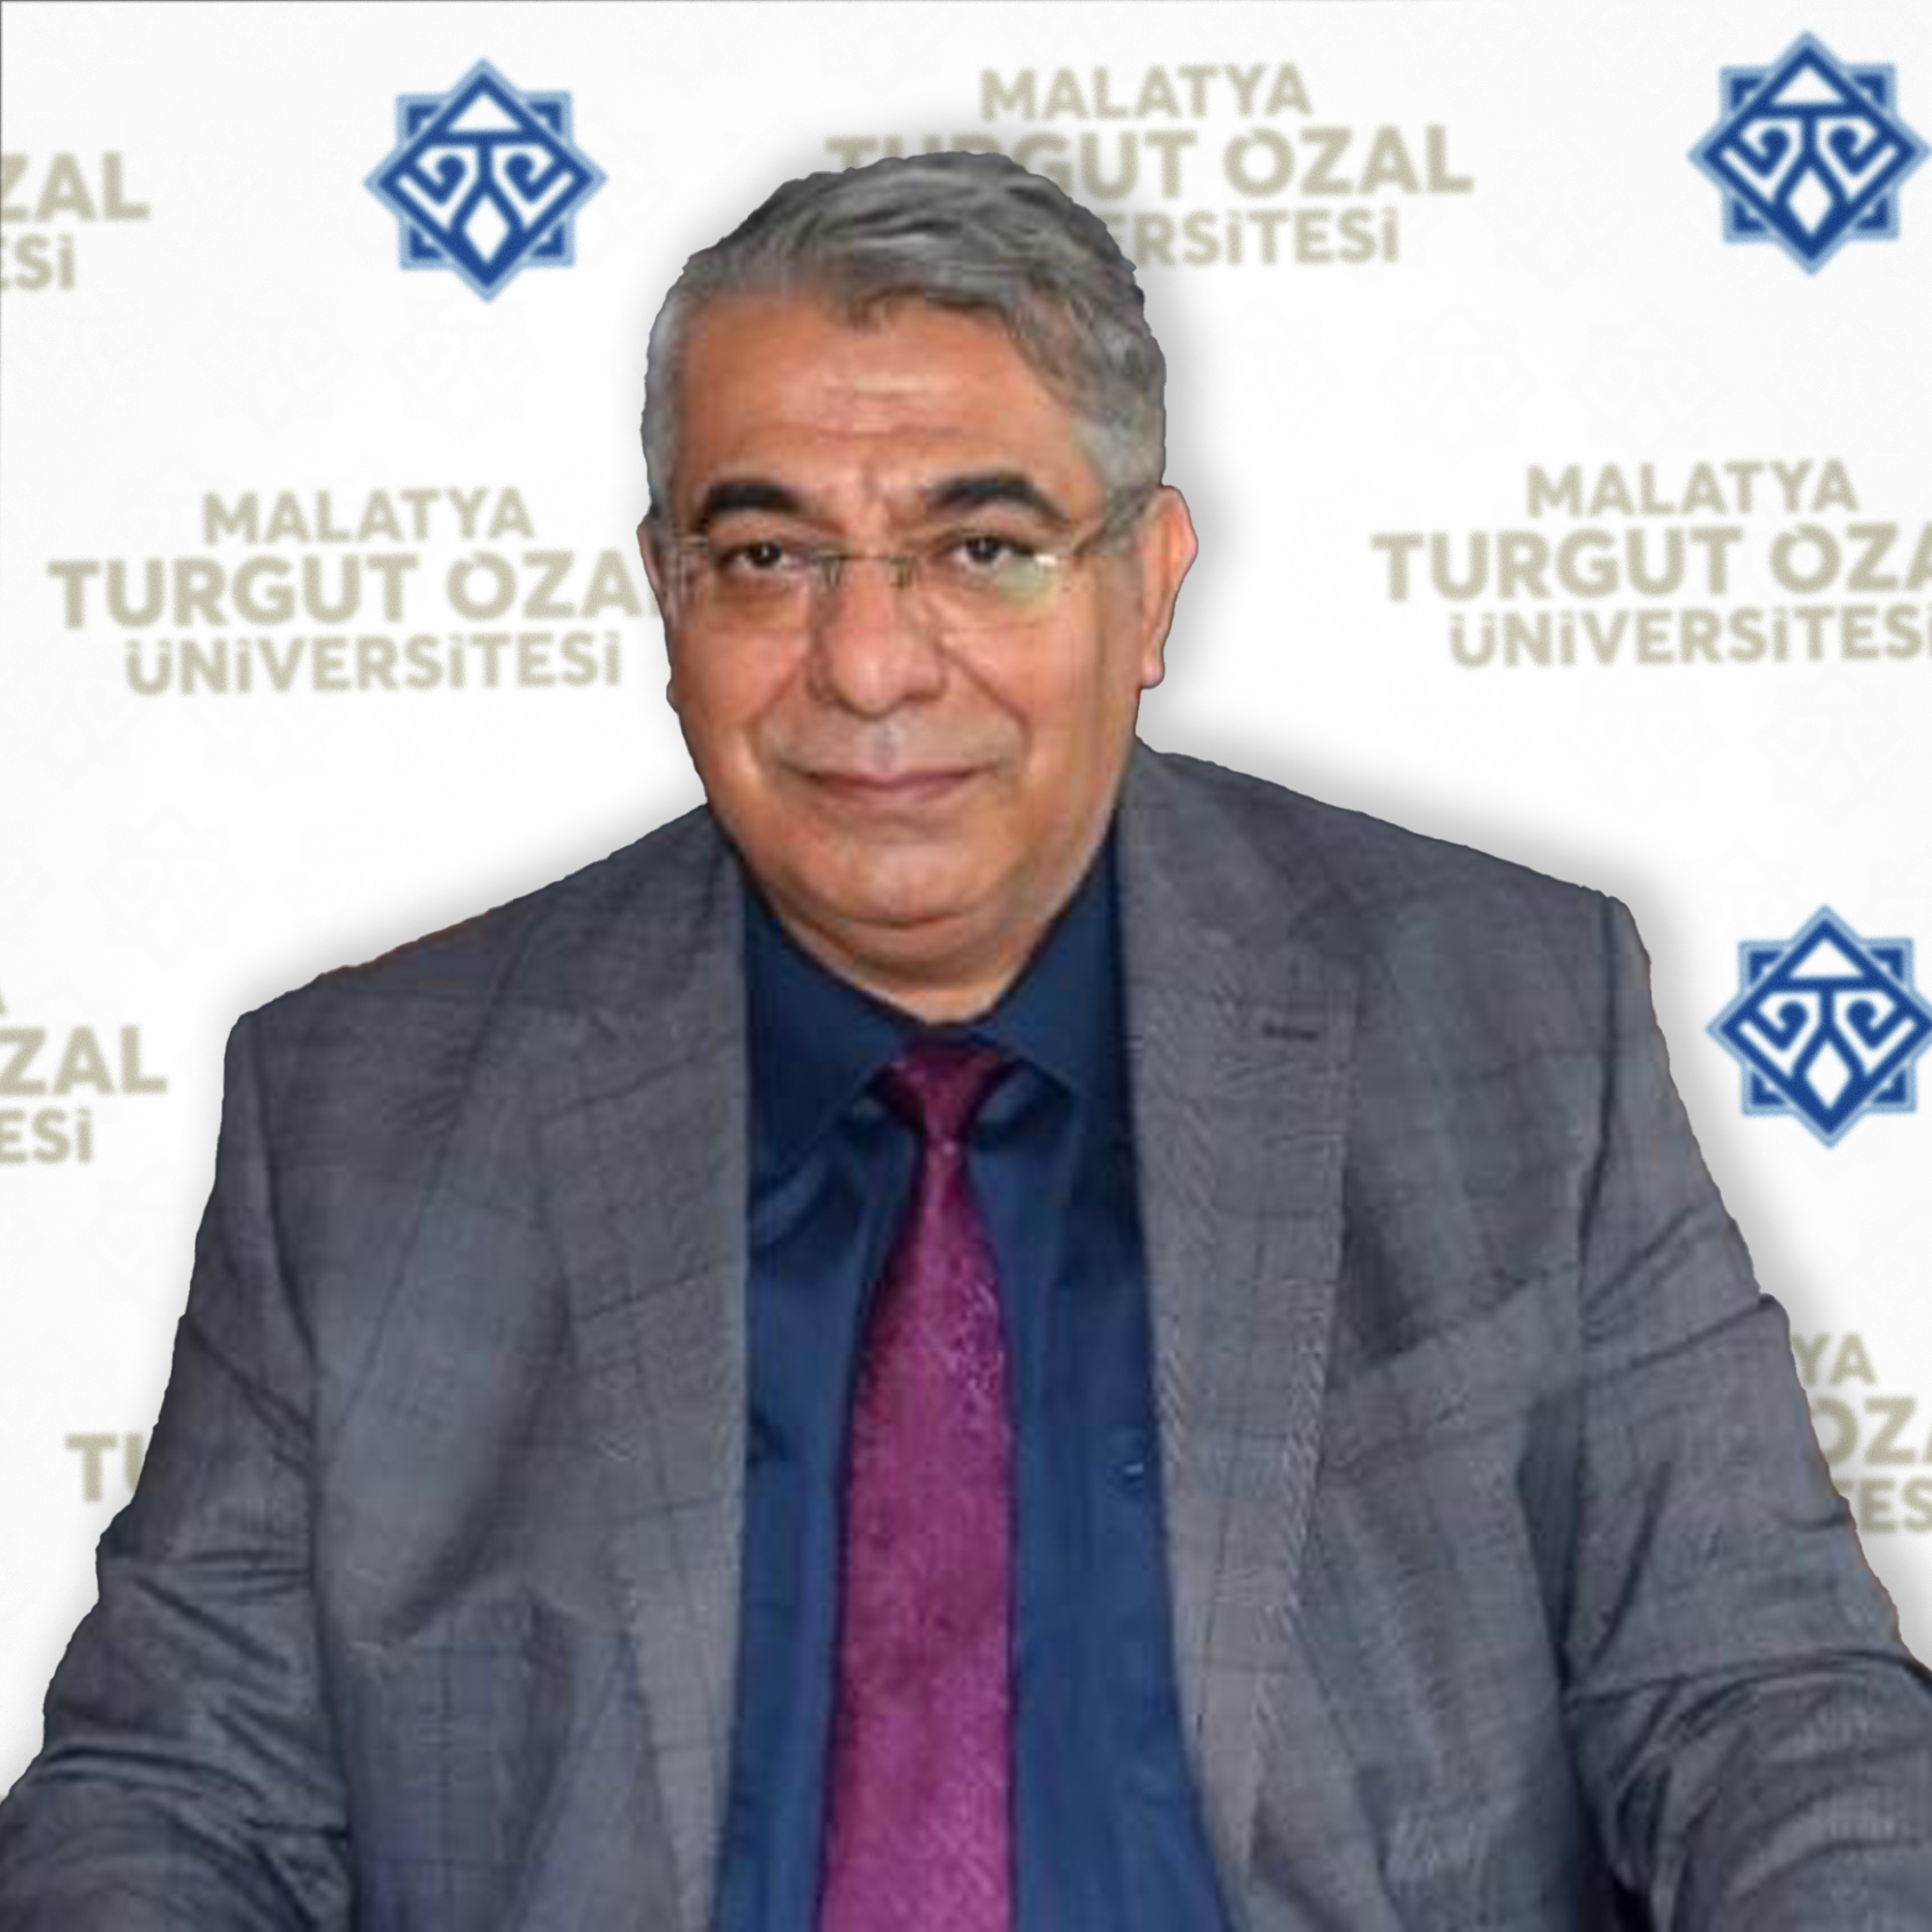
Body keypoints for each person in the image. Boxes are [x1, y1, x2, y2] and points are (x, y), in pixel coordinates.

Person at [2, 151, 1929, 1931]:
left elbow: (1763, 1706)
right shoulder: (363, 1121)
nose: (867, 664)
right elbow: (175, 1797)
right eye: (769, 558)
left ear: (1145, 584)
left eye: (982, 546)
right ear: (667, 596)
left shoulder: (1506, 1024)